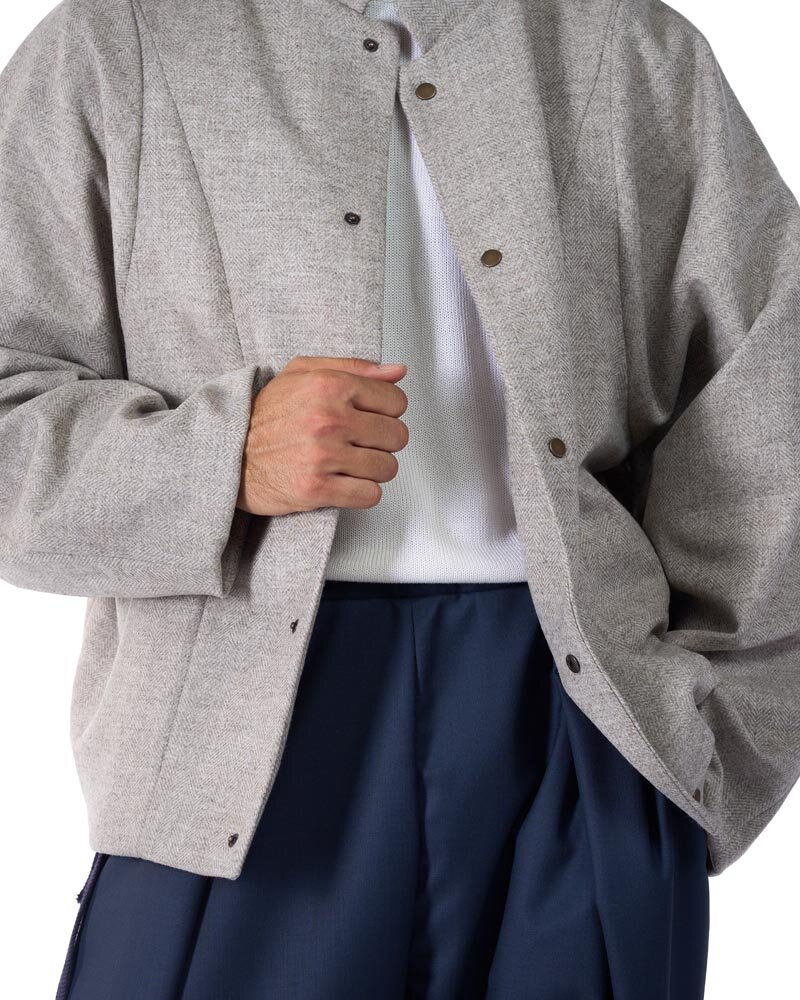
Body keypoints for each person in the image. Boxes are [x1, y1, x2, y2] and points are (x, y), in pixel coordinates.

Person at [1, 0, 798, 996]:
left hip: (584, 711)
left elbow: (773, 392)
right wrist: (222, 457)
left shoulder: (631, 47)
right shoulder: (120, 43)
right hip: (228, 739)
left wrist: (705, 738)